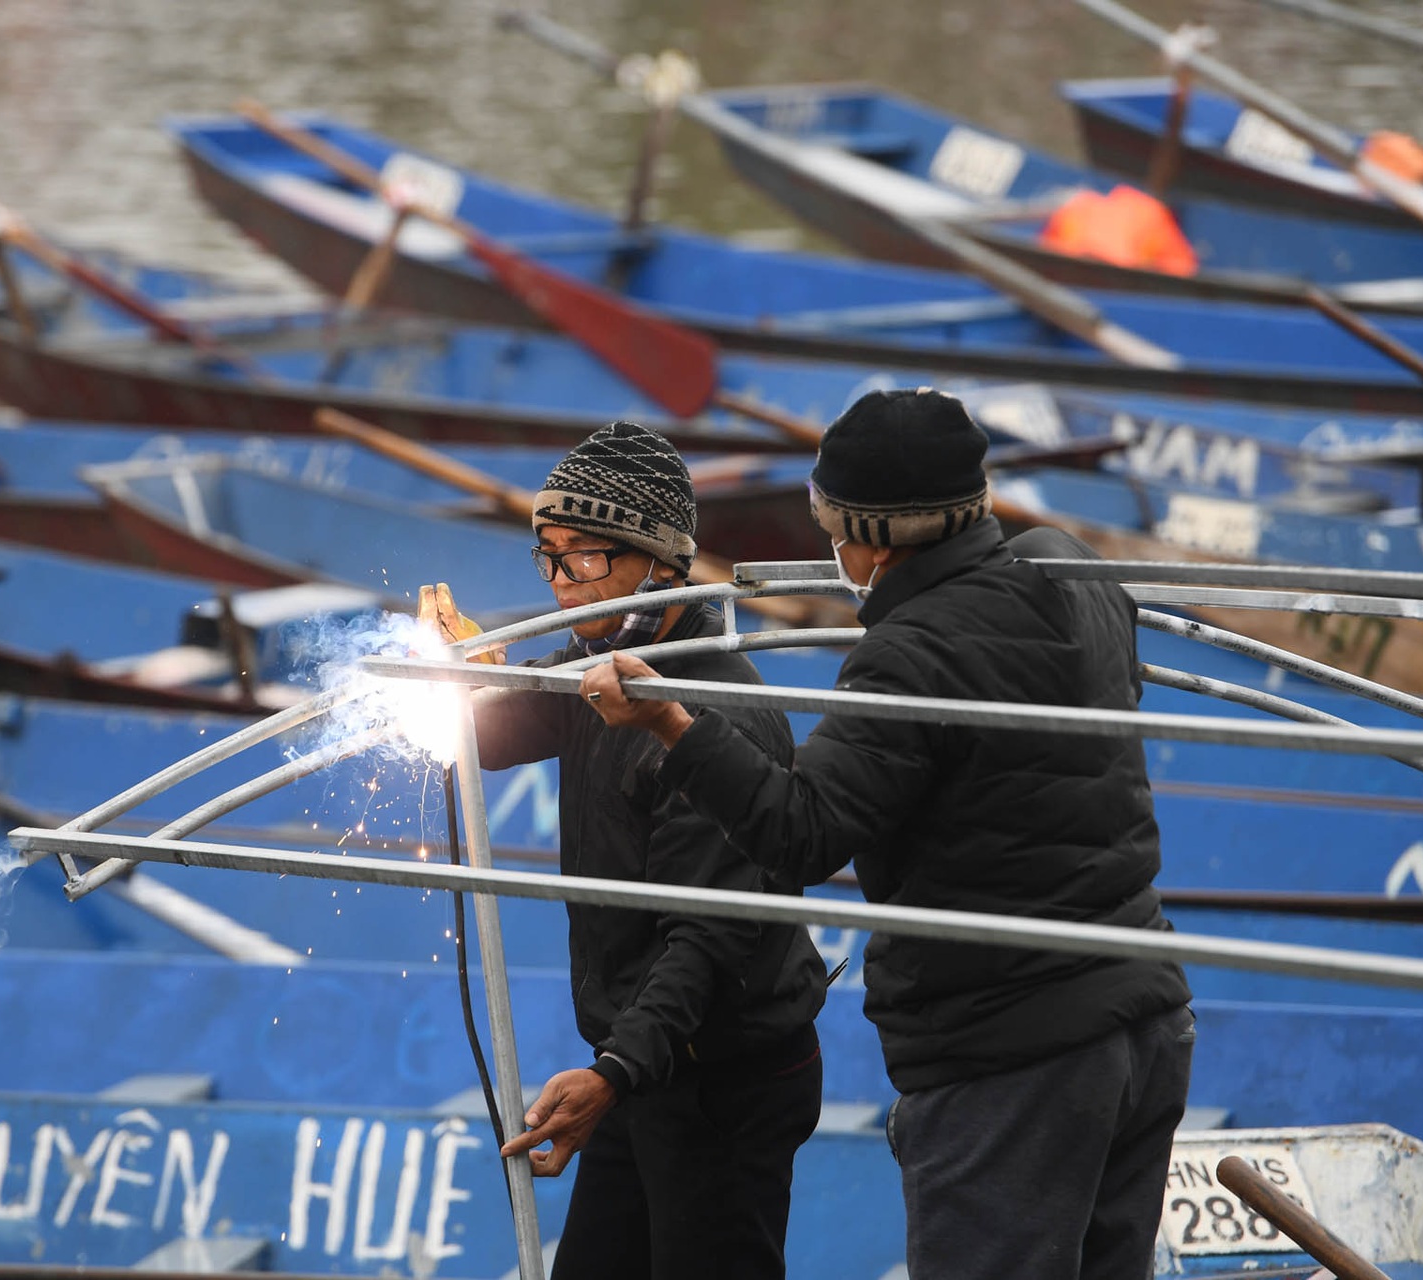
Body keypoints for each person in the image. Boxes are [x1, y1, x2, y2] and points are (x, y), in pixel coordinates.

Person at [579, 389, 1195, 1280]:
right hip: (1147, 1020)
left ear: (868, 539)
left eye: (833, 530)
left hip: (1009, 1055)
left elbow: (801, 831)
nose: (835, 554)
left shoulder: (910, 651)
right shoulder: (1072, 568)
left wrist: (671, 722)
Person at [423, 420, 828, 1280]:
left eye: (588, 559)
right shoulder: (596, 657)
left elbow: (709, 942)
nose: (567, 586)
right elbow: (494, 734)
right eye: (550, 557)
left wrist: (609, 1072)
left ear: (659, 561)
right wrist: (465, 667)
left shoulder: (716, 716)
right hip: (645, 1062)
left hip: (724, 1072)